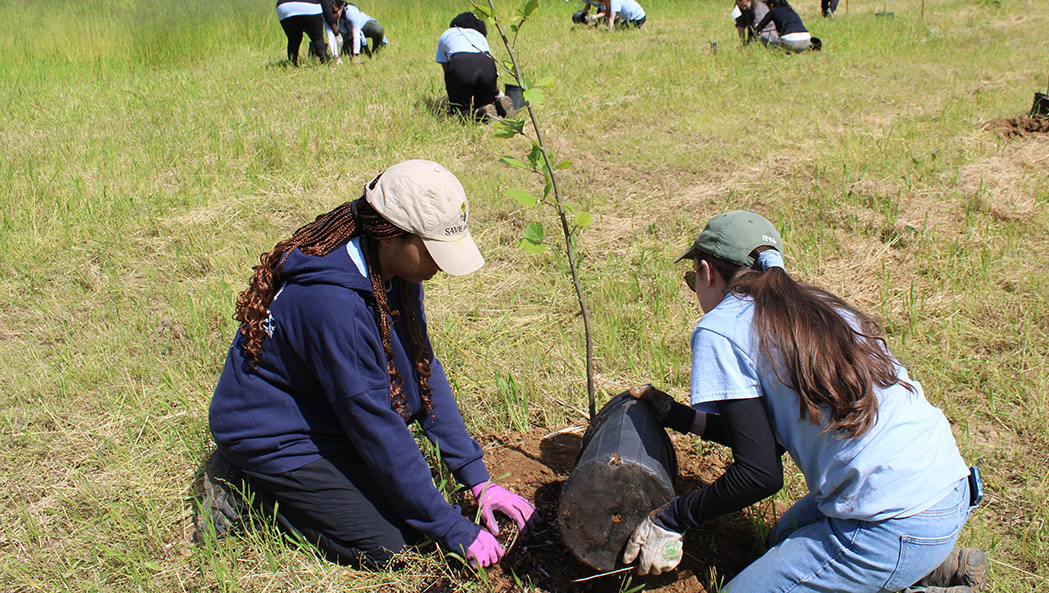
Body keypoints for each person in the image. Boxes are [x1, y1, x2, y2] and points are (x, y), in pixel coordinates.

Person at [621, 210, 989, 592]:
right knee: (782, 537)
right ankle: (932, 566)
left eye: (690, 280)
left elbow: (758, 475)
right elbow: (763, 441)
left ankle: (913, 566)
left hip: (894, 520)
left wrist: (671, 518)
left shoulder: (721, 328)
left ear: (705, 270)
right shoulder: (815, 308)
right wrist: (676, 414)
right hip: (944, 489)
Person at [205, 160, 538, 570]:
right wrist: (452, 528)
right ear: (393, 235)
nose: (441, 265)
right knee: (394, 544)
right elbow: (374, 425)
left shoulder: (390, 269)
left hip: (324, 410)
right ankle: (248, 484)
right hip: (270, 432)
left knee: (407, 498)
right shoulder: (332, 304)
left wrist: (478, 480)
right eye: (434, 249)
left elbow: (422, 367)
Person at [435, 13, 511, 119]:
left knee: (459, 111)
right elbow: (489, 61)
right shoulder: (479, 37)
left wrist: (458, 96)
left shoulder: (447, 34)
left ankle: (471, 113)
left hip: (462, 66)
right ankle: (493, 105)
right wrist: (496, 92)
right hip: (488, 68)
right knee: (485, 104)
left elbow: (448, 72)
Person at [276, 0, 338, 65]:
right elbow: (327, 11)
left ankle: (292, 64)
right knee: (317, 38)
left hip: (283, 7)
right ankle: (325, 62)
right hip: (308, 6)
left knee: (293, 40)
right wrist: (336, 32)